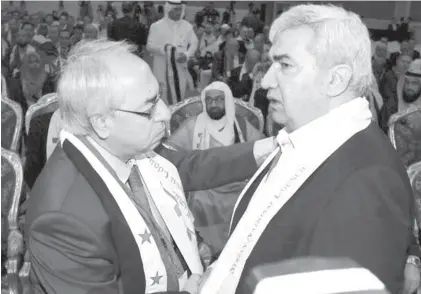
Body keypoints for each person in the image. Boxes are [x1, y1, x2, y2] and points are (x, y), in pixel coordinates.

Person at [26, 39, 274, 294]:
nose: (166, 114)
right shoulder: (63, 220)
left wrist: (265, 149)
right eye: (149, 108)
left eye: (160, 98)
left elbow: (188, 166)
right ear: (101, 122)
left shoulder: (121, 146)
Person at [199, 5, 414, 294]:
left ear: (335, 79)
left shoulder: (368, 181)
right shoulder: (305, 135)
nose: (265, 82)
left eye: (285, 65)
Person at [166, 81, 264, 254]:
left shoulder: (240, 125)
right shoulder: (192, 125)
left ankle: (240, 251)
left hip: (238, 184)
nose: (213, 104)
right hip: (206, 186)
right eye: (209, 100)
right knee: (199, 202)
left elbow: (263, 148)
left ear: (226, 101)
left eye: (218, 99)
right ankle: (208, 251)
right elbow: (170, 150)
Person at [147, 0, 198, 105]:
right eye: (175, 10)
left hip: (180, 68)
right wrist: (164, 50)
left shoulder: (187, 26)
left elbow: (194, 43)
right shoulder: (156, 26)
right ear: (168, 9)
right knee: (162, 95)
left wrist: (187, 55)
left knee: (179, 94)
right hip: (162, 67)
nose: (178, 12)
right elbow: (149, 46)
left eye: (180, 9)